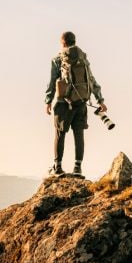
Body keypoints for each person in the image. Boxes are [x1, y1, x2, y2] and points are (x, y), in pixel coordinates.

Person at [44, 31, 107, 176]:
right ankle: (77, 168)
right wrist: (100, 100)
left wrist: (48, 101)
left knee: (60, 134)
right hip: (81, 102)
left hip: (63, 103)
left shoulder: (58, 59)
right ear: (75, 41)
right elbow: (91, 80)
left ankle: (57, 167)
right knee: (79, 135)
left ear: (63, 42)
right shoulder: (83, 59)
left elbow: (52, 81)